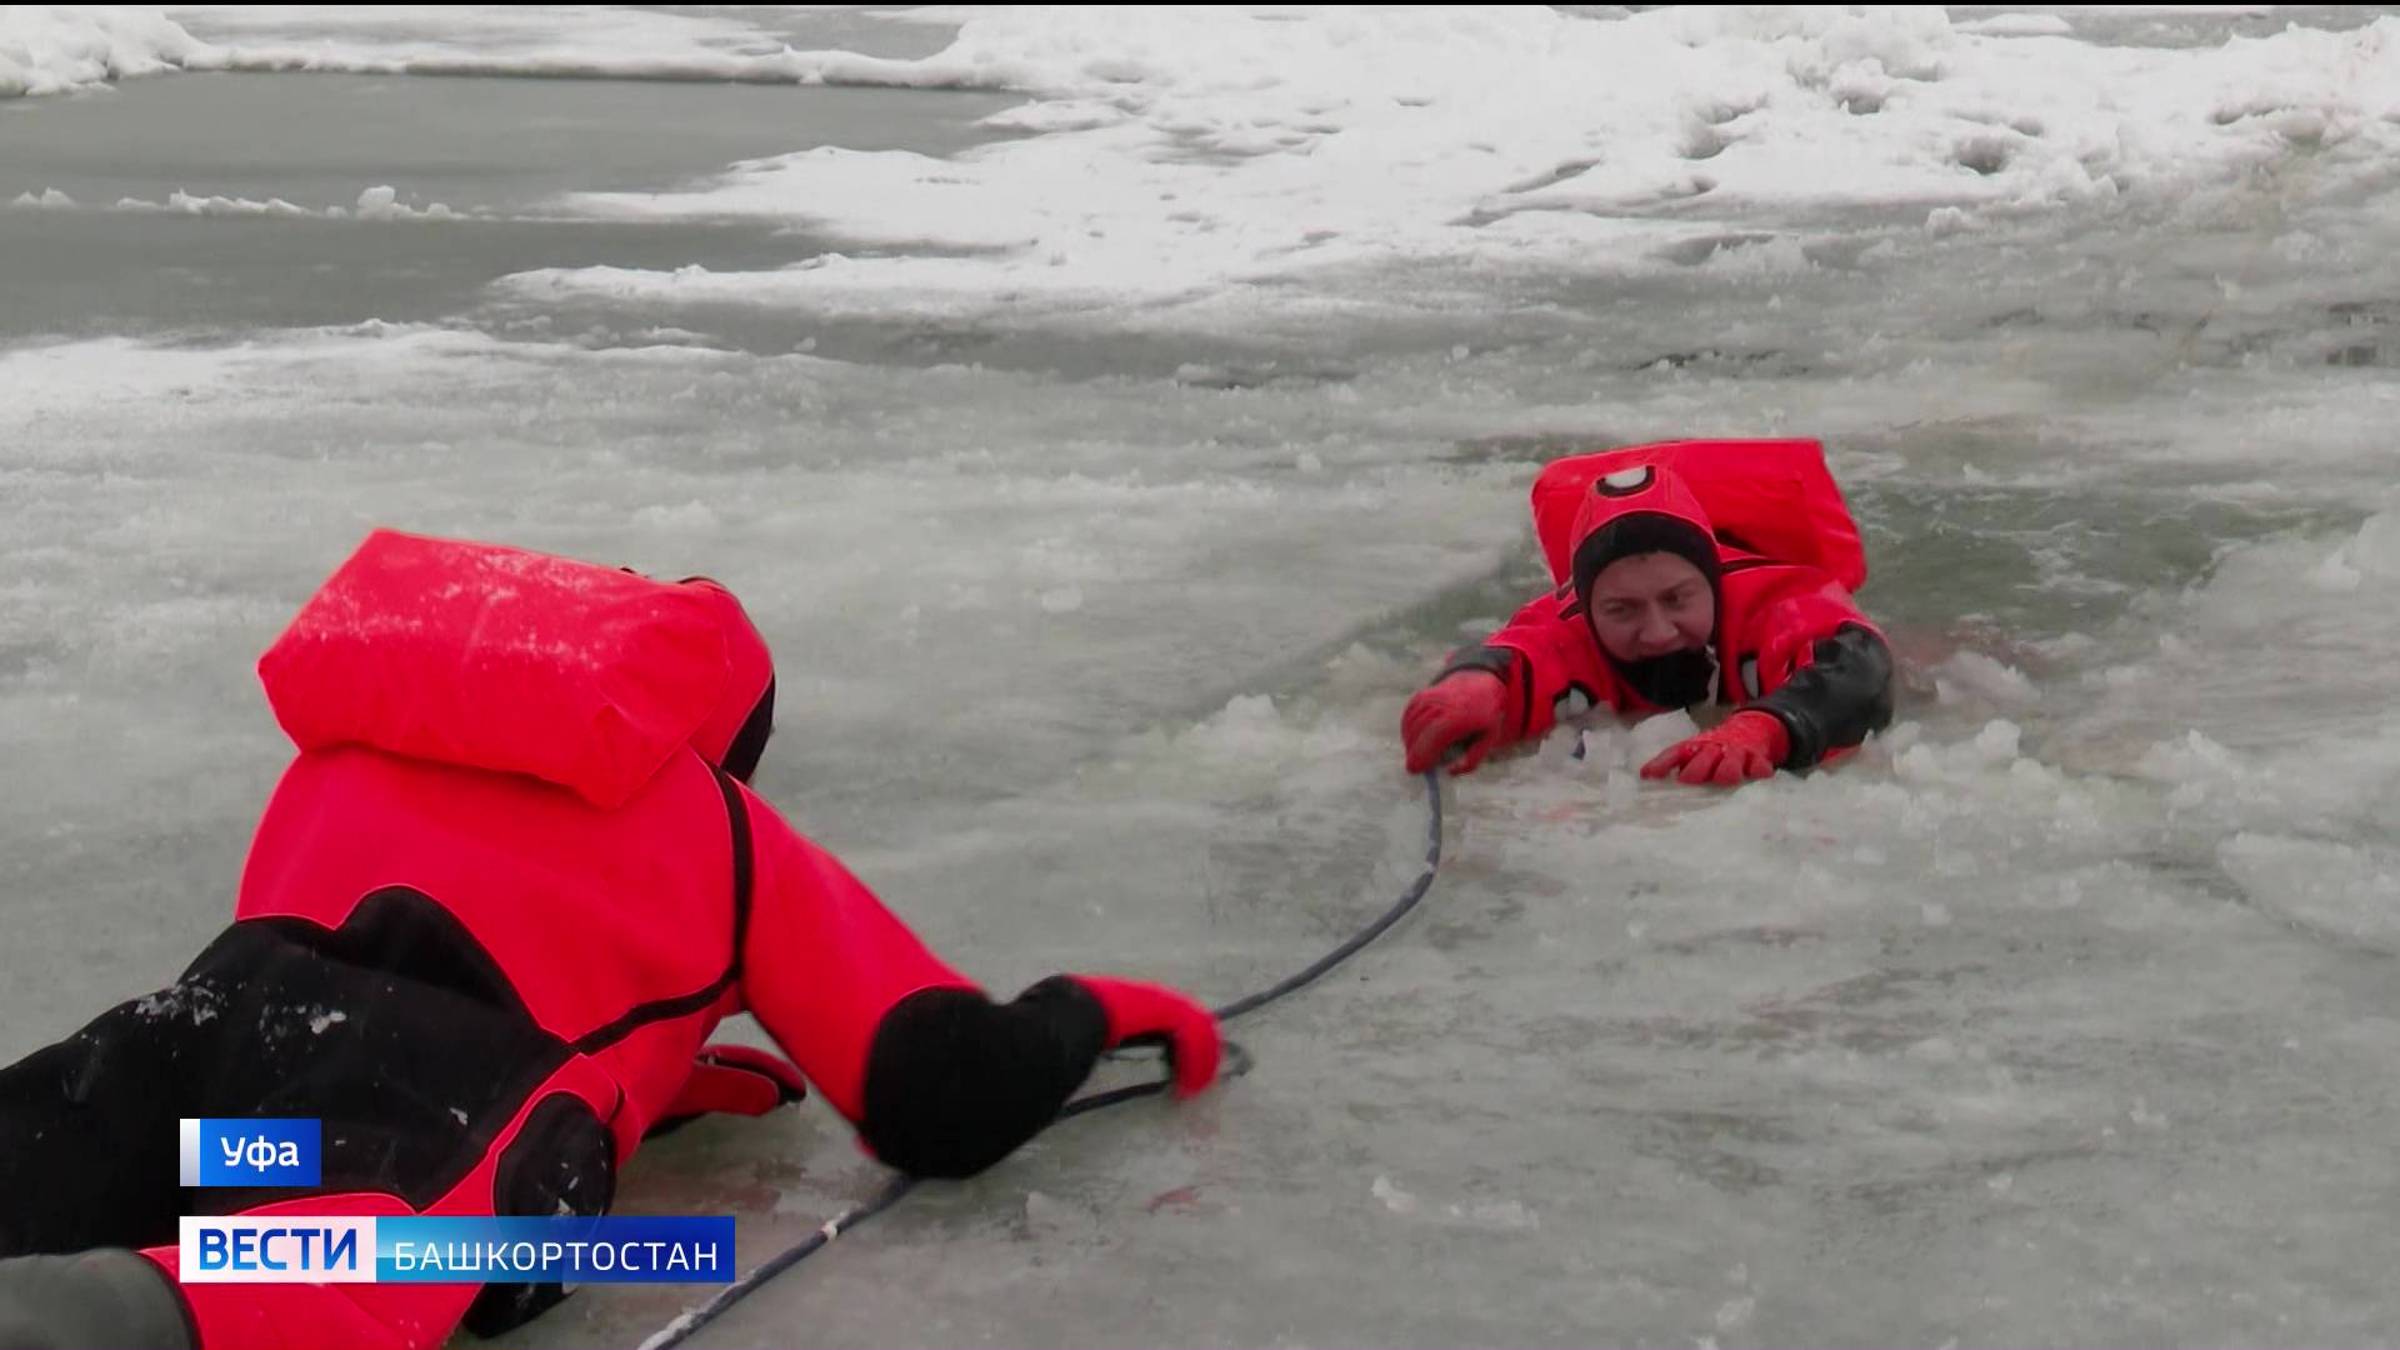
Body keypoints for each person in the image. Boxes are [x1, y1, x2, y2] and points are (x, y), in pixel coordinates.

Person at [0, 529, 1221, 1350]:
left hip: (218, 1063)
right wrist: (1090, 1009)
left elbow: (375, 990)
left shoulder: (358, 744)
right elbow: (934, 1090)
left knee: (84, 1137)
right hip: (447, 1096)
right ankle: (107, 1321)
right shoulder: (716, 826)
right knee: (381, 1244)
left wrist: (669, 1082)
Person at [1401, 439, 1894, 786]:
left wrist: (1769, 726)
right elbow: (1515, 656)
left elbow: (1860, 667)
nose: (1657, 632)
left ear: (1713, 584)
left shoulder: (1777, 602)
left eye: (1678, 599)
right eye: (1622, 609)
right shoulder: (1571, 628)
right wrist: (1470, 681)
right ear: (1588, 607)